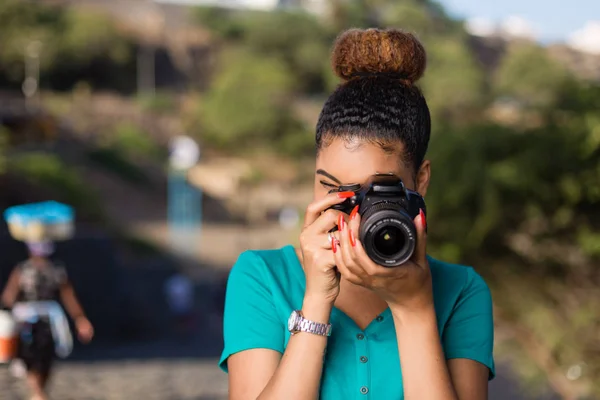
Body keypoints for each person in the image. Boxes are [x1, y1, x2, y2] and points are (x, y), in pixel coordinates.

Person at [219, 28, 495, 400]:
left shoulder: (462, 291)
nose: (351, 211)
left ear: (422, 181)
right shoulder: (264, 277)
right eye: (331, 187)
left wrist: (414, 308)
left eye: (374, 191)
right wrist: (316, 301)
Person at [1, 241, 94, 400]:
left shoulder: (56, 271)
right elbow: (9, 295)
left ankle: (39, 391)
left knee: (47, 355)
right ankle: (38, 392)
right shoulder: (23, 270)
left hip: (49, 320)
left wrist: (80, 319)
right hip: (26, 320)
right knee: (28, 354)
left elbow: (68, 296)